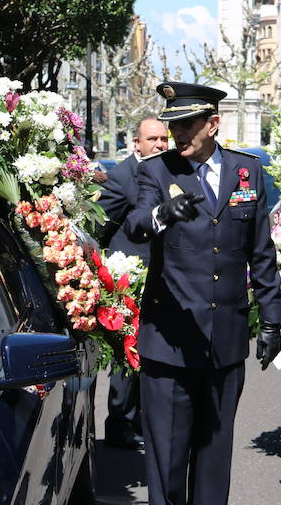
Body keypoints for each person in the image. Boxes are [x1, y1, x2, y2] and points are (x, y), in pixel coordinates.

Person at [123, 81, 281, 505]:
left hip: (225, 344)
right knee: (168, 464)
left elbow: (260, 253)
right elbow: (135, 223)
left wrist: (272, 321)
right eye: (172, 125)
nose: (178, 135)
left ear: (213, 124)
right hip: (170, 346)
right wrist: (162, 214)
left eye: (187, 124)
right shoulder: (156, 170)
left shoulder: (245, 171)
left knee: (214, 462)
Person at [97, 115, 169, 450]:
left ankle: (142, 422)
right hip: (129, 283)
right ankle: (119, 424)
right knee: (127, 356)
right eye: (152, 139)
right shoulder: (122, 176)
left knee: (151, 355)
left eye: (163, 139)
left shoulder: (170, 171)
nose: (159, 144)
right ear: (136, 143)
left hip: (162, 280)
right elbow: (101, 229)